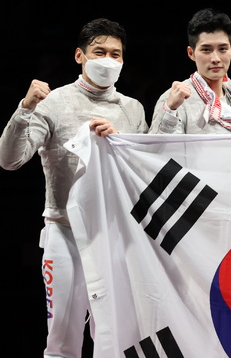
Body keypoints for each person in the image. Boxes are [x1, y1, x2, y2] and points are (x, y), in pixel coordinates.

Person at [0, 18, 148, 357]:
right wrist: (25, 109)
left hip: (113, 236)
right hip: (64, 233)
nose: (108, 60)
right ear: (80, 56)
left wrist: (120, 139)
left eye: (116, 54)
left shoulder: (132, 109)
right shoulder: (54, 102)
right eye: (100, 52)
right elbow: (10, 159)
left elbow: (142, 174)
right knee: (62, 338)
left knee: (115, 338)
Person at [149, 8, 231, 134]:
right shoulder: (174, 99)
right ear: (191, 53)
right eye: (206, 50)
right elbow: (158, 151)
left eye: (222, 49)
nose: (215, 59)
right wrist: (170, 110)